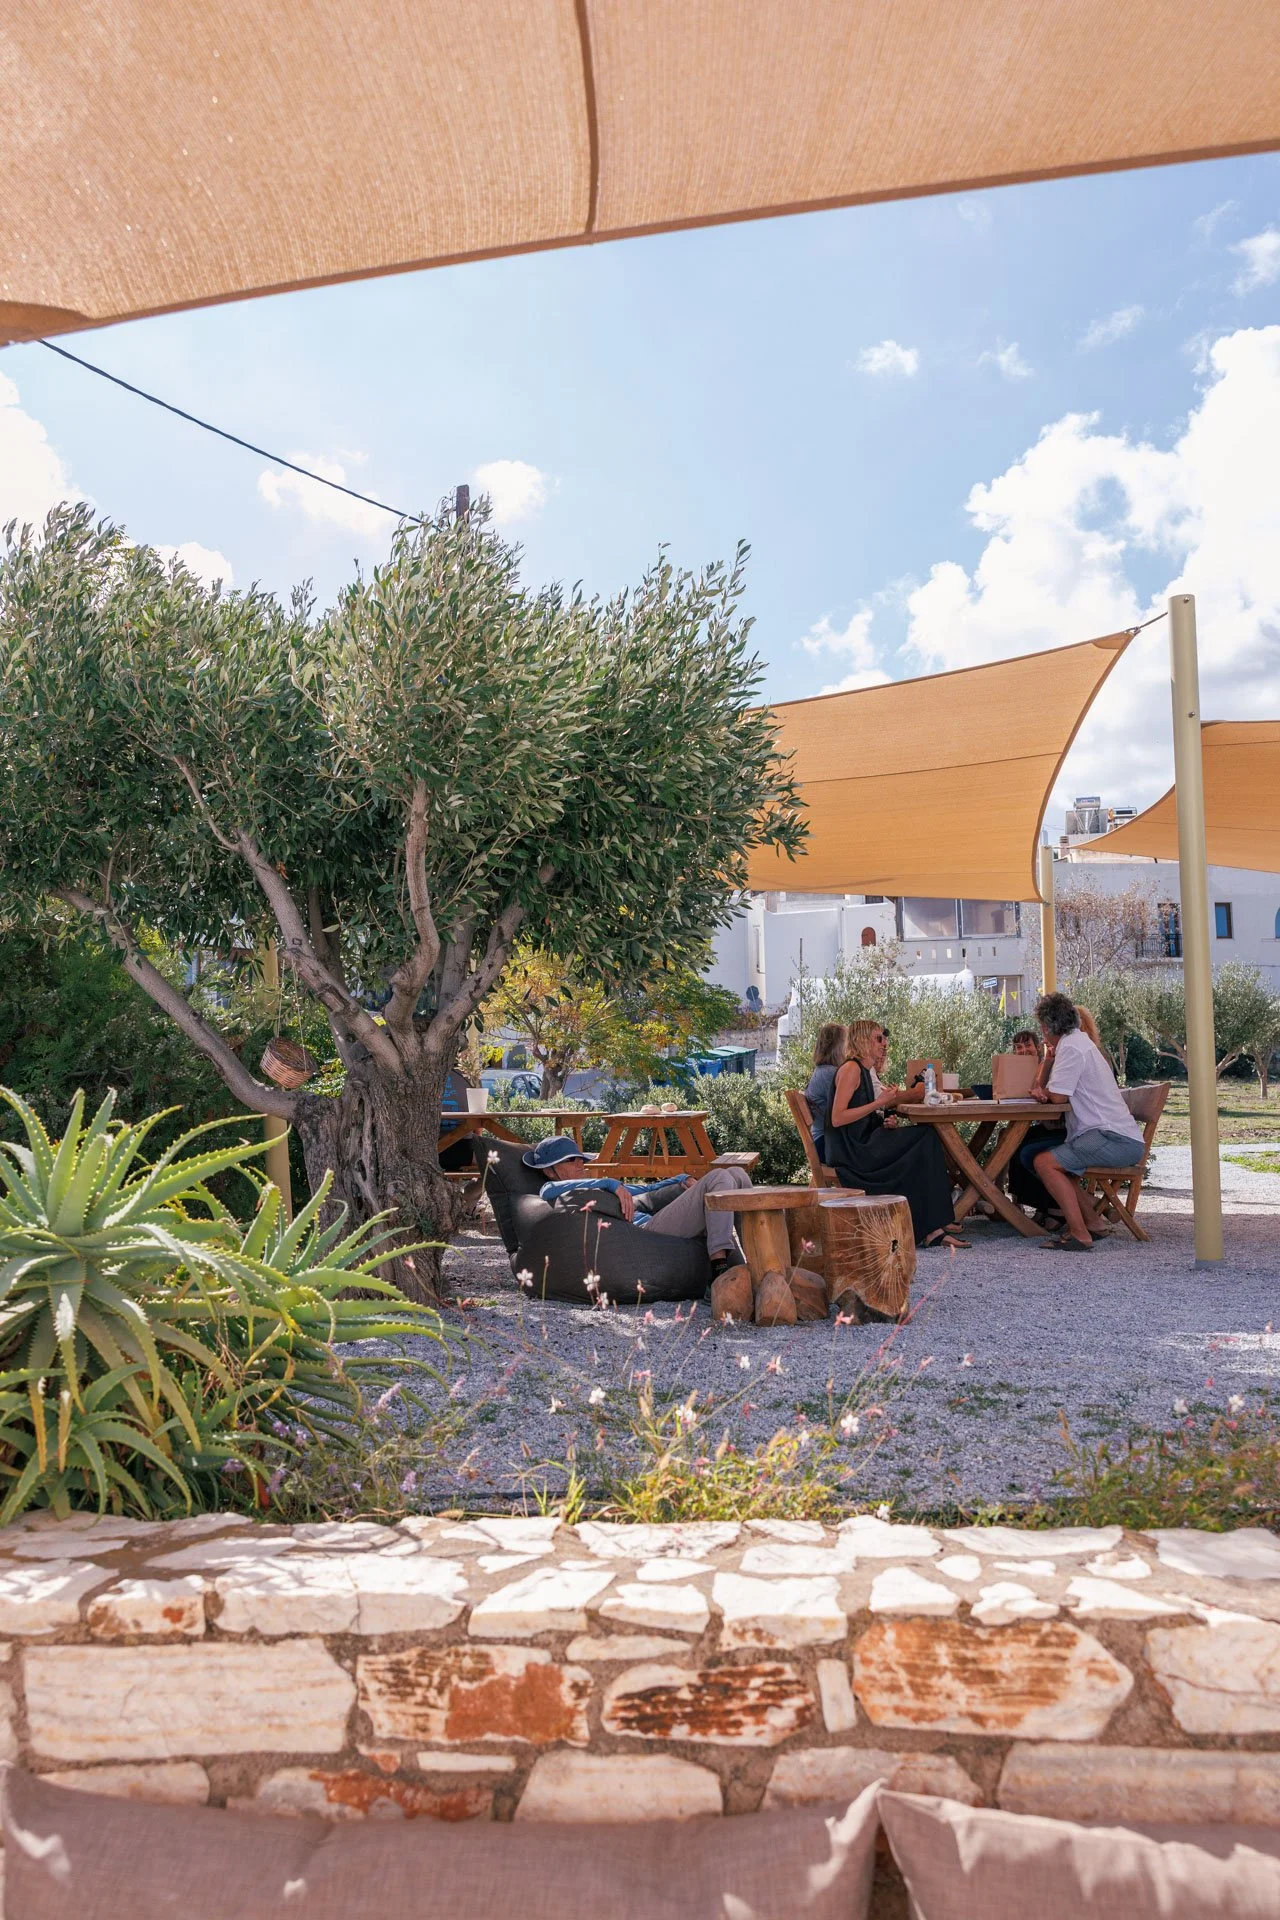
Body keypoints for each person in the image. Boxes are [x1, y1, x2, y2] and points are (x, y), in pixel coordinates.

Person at [825, 1019, 967, 1249]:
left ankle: (932, 1225)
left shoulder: (864, 1070)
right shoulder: (851, 1069)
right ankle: (933, 1226)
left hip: (863, 1141)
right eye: (878, 1038)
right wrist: (879, 1103)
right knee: (925, 1138)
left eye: (884, 1038)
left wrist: (884, 1121)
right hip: (852, 1150)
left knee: (923, 1139)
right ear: (862, 1040)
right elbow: (838, 1118)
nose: (884, 1043)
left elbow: (862, 1114)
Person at [522, 1136, 751, 1276]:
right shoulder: (555, 1190)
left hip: (661, 1220)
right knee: (719, 1176)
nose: (580, 1162)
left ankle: (757, 1258)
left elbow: (645, 1191)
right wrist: (609, 1182)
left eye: (580, 1157)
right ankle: (719, 1268)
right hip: (649, 1232)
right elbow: (547, 1191)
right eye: (571, 1160)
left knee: (736, 1174)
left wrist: (680, 1179)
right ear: (549, 1170)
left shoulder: (599, 1188)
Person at [1026, 992, 1144, 1251]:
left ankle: (1080, 1234)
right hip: (1118, 1135)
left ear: (1046, 1028)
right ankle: (1094, 1224)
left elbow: (1057, 1097)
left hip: (1112, 1138)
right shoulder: (1078, 1042)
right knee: (1054, 1163)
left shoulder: (1071, 1048)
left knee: (1044, 1163)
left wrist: (1043, 1090)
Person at [803, 1022, 848, 1164]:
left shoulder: (822, 1071)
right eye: (847, 1042)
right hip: (827, 1145)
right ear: (838, 1047)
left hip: (821, 1141)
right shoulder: (831, 1074)